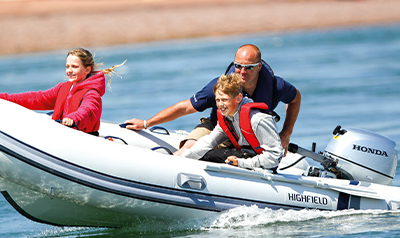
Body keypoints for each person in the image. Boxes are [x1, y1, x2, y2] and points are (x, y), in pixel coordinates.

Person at [125, 44, 301, 156]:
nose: (242, 71)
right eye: (238, 66)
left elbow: (296, 98)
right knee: (188, 150)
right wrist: (146, 123)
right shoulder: (220, 87)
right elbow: (185, 107)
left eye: (249, 67)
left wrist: (286, 133)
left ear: (259, 66)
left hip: (250, 139)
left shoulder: (276, 86)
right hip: (217, 127)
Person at [0, 47, 125, 134]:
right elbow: (36, 98)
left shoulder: (92, 94)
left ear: (87, 70)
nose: (69, 70)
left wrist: (73, 118)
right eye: (67, 66)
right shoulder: (62, 88)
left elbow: (87, 110)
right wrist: (4, 97)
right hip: (61, 134)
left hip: (81, 140)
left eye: (74, 67)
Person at [179, 73, 283, 170]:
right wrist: (182, 158)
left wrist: (241, 163)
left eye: (224, 100)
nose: (220, 105)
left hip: (259, 163)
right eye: (217, 100)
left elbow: (275, 157)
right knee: (205, 154)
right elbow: (209, 141)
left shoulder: (257, 119)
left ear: (238, 98)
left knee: (208, 156)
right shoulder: (227, 117)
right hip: (242, 155)